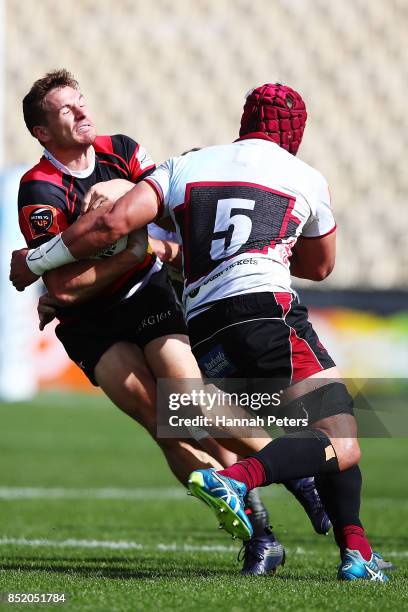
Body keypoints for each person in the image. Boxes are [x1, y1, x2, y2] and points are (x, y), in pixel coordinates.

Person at [10, 71, 330, 576]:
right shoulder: (40, 189)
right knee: (162, 424)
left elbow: (171, 208)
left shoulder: (121, 151)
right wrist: (135, 250)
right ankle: (260, 536)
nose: (82, 113)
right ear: (43, 132)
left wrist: (149, 244)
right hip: (88, 322)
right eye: (67, 111)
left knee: (186, 402)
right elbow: (68, 289)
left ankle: (297, 474)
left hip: (147, 296)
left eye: (82, 102)